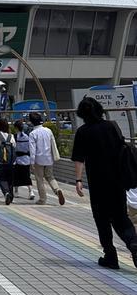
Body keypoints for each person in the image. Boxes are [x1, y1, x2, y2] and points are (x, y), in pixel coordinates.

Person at [72, 97, 137, 270]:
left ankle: (110, 256)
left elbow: (79, 159)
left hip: (98, 183)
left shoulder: (83, 132)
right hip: (117, 181)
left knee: (102, 219)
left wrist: (78, 180)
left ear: (82, 114)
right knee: (121, 217)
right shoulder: (112, 126)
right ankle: (134, 243)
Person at [29, 114, 65, 206]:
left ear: (31, 122)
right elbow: (53, 143)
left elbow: (32, 150)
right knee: (50, 176)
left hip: (38, 159)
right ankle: (57, 190)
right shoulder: (48, 131)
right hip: (49, 158)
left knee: (39, 179)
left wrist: (32, 162)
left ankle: (42, 199)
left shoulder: (33, 134)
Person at [12, 121, 35, 201]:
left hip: (17, 160)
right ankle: (31, 192)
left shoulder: (14, 137)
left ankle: (16, 192)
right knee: (27, 177)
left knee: (16, 177)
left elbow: (13, 148)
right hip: (26, 159)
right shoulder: (27, 136)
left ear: (16, 128)